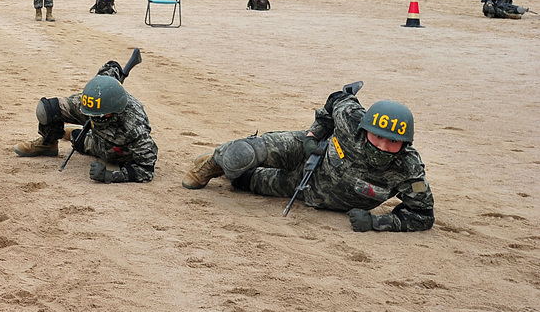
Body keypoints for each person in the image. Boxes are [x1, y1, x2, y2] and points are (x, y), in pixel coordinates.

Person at [181, 85, 434, 232]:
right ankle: (211, 163)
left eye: (392, 141)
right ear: (365, 129)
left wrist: (377, 222)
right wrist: (315, 133)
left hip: (301, 190)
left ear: (405, 143)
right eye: (377, 137)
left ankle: (228, 169)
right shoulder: (352, 119)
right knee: (244, 154)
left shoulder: (408, 169)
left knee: (242, 181)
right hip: (309, 153)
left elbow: (422, 215)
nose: (382, 145)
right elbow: (338, 98)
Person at [14, 59, 157, 183]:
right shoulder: (93, 99)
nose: (95, 118)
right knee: (46, 110)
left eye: (101, 115)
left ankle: (73, 133)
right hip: (96, 130)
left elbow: (146, 169)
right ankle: (48, 144)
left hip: (115, 149)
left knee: (79, 141)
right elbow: (110, 69)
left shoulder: (134, 125)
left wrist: (110, 176)